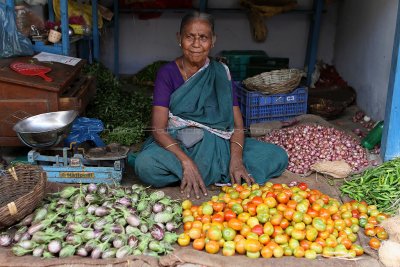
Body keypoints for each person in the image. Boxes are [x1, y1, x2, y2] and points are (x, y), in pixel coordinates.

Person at [134, 11, 288, 199]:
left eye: (203, 38)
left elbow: (238, 125)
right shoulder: (167, 73)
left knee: (277, 155)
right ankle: (196, 171)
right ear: (179, 38)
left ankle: (203, 173)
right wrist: (186, 162)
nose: (196, 44)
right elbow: (158, 129)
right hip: (181, 144)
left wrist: (237, 160)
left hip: (221, 146)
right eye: (189, 36)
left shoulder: (222, 72)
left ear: (213, 41)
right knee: (145, 165)